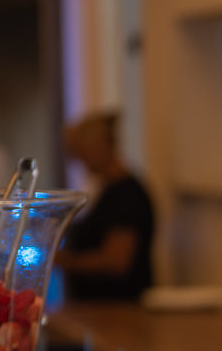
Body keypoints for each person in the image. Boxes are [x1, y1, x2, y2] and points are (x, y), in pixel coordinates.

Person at [56, 110, 154, 301]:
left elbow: (116, 261)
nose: (81, 161)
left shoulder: (126, 195)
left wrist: (62, 260)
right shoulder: (108, 191)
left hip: (119, 308)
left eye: (83, 153)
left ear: (101, 147)